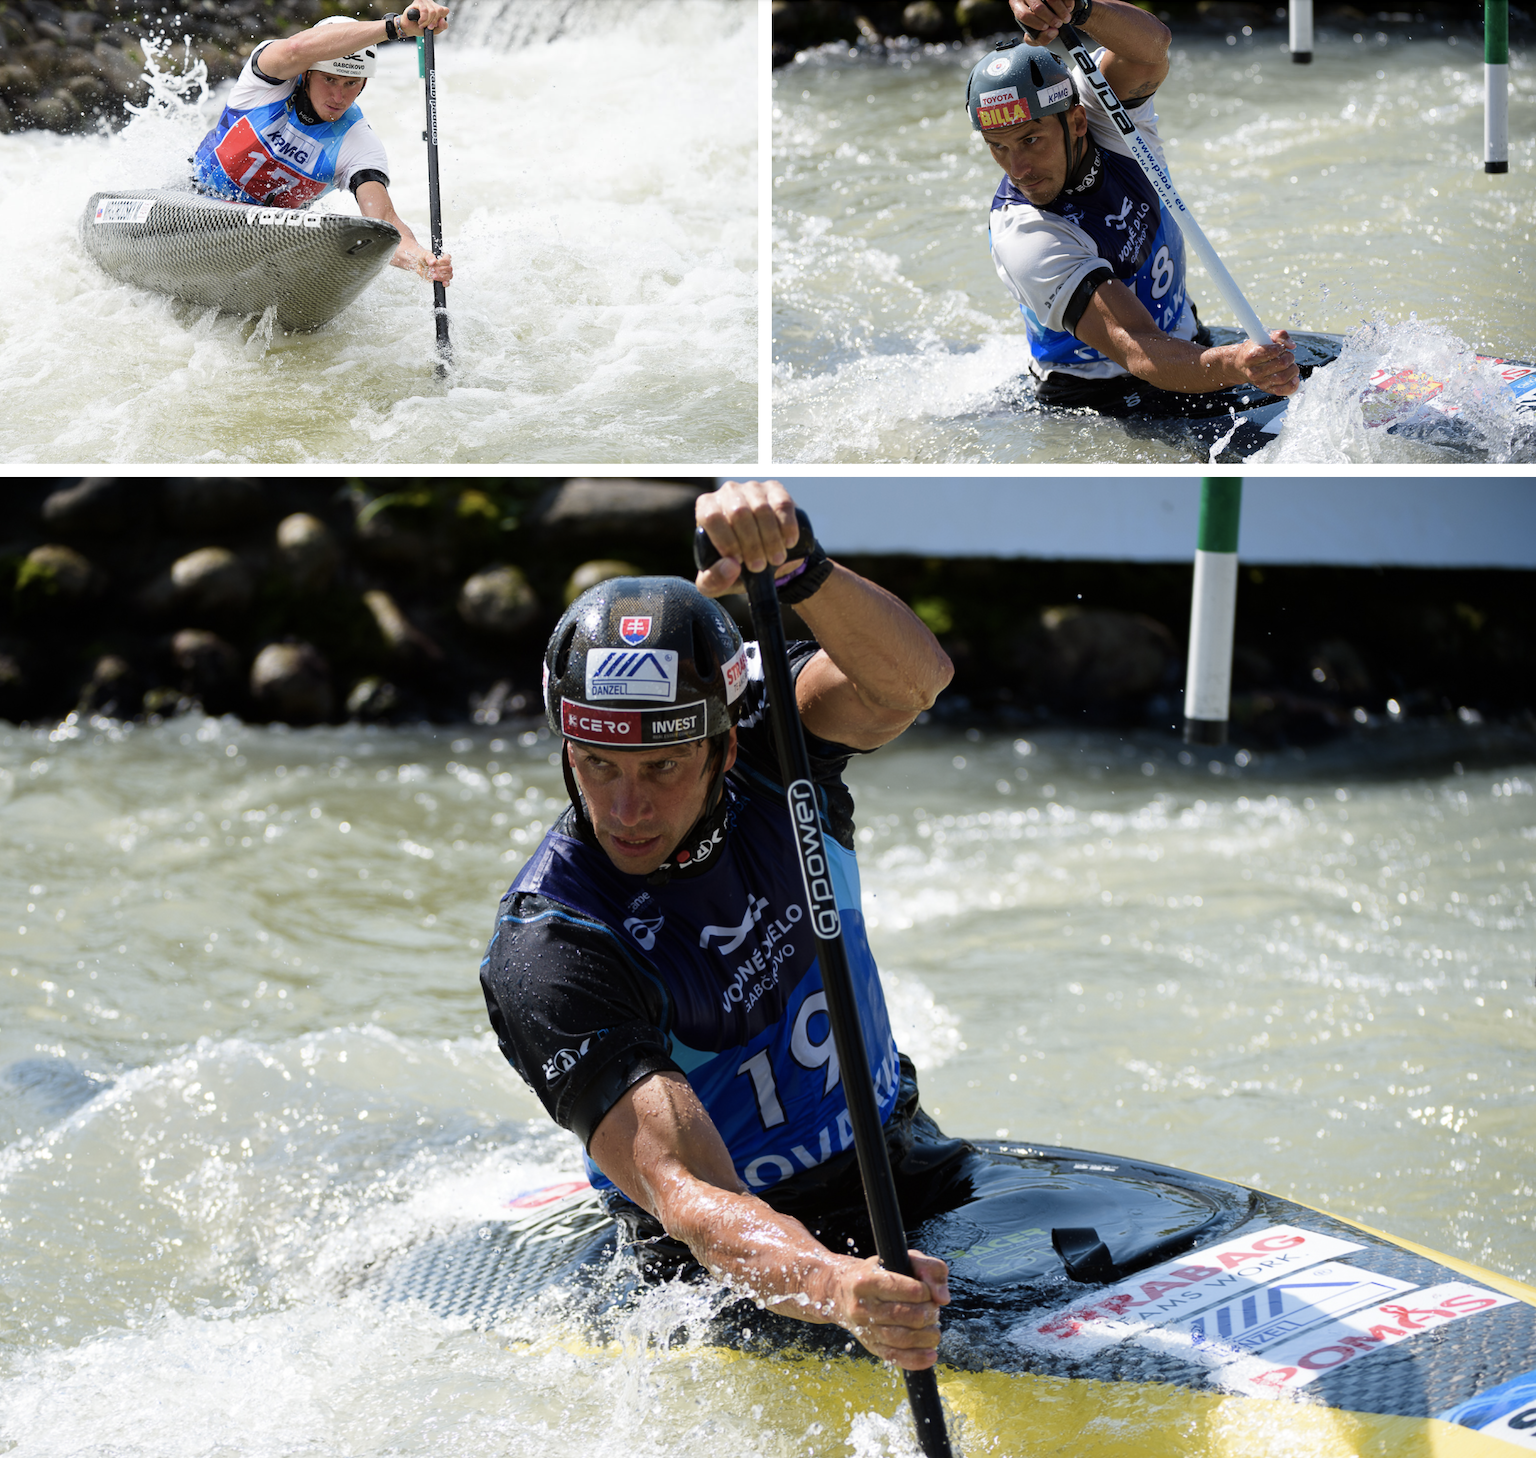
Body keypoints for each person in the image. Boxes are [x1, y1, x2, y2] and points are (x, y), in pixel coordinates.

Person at [479, 481, 966, 1370]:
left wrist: (801, 570)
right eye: (597, 765)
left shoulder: (777, 752)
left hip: (904, 1164)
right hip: (717, 1268)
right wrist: (837, 1288)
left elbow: (913, 681)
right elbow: (692, 1197)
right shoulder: (553, 947)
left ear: (724, 745)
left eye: (662, 766)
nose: (626, 809)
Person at [974, 0, 1298, 417]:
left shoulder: (1104, 113)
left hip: (1190, 347)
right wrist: (1237, 364)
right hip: (1100, 397)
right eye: (998, 147)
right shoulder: (1025, 235)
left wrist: (1078, 7)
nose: (1018, 169)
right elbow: (1140, 348)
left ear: (1076, 122)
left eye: (1030, 140)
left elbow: (1151, 49)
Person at [191, 8, 453, 289]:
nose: (338, 96)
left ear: (364, 84)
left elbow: (384, 221)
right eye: (329, 79)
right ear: (306, 73)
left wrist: (420, 259)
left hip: (265, 242)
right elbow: (296, 48)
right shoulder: (267, 81)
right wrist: (397, 27)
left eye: (351, 83)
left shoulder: (359, 143)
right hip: (195, 199)